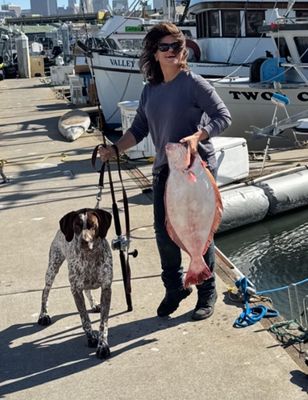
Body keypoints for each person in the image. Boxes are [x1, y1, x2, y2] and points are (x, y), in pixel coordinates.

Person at [99, 22, 232, 320]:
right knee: (164, 232)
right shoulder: (150, 91)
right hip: (164, 172)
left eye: (177, 47)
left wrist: (199, 136)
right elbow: (139, 129)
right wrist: (115, 149)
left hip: (194, 171)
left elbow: (223, 116)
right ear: (154, 52)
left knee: (199, 231)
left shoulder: (194, 83)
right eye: (165, 47)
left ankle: (206, 292)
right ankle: (175, 288)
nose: (172, 52)